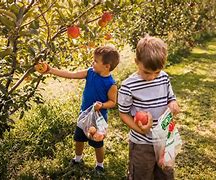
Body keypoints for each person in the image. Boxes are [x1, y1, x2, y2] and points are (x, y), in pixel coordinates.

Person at [44, 46, 120, 173]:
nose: (92, 63)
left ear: (107, 66)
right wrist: (51, 70)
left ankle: (100, 165)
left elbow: (112, 102)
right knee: (78, 139)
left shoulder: (111, 84)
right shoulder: (90, 72)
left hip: (98, 120)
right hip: (84, 116)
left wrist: (102, 105)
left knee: (97, 143)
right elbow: (71, 75)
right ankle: (78, 158)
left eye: (96, 61)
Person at [118, 35, 180, 180]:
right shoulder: (128, 86)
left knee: (165, 173)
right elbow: (124, 114)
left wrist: (173, 104)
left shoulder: (163, 78)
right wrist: (141, 129)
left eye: (156, 72)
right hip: (142, 143)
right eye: (147, 72)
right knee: (142, 174)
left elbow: (171, 98)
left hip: (164, 139)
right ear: (136, 62)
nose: (152, 77)